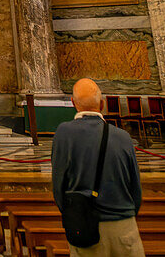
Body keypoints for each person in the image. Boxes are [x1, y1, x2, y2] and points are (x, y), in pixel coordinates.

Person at [52, 78, 143, 257]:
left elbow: (58, 186)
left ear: (73, 103)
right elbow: (136, 188)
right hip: (125, 227)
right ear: (102, 104)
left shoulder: (64, 133)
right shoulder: (124, 137)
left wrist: (74, 215)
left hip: (87, 225)